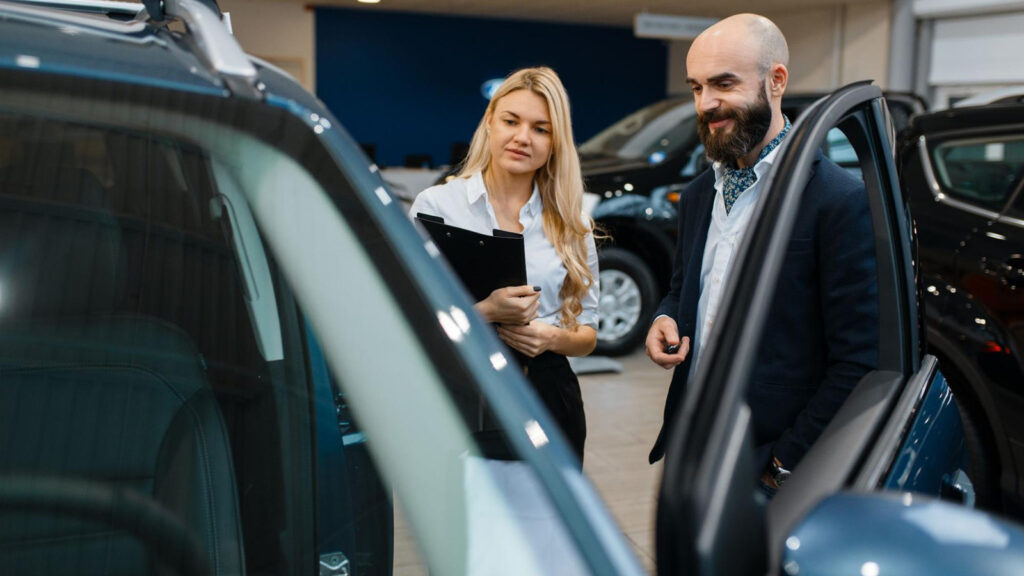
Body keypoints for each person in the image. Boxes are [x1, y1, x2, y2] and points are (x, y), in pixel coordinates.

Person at [644, 14, 878, 495]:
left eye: (724, 84)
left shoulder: (837, 200)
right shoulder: (695, 197)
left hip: (771, 464)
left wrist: (782, 465)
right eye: (696, 87)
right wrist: (665, 317)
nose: (706, 103)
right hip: (692, 439)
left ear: (776, 81)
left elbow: (860, 361)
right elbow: (683, 287)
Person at [411, 66, 599, 464]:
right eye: (511, 121)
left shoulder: (571, 222)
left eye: (540, 129)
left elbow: (587, 334)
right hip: (460, 393)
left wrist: (551, 338)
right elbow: (411, 319)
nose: (521, 138)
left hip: (549, 396)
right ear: (489, 123)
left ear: (555, 142)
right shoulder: (438, 208)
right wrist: (485, 312)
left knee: (549, 525)